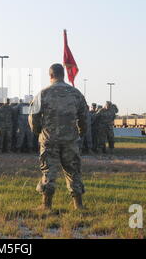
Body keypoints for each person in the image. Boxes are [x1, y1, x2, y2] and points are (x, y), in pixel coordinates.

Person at [29, 63, 88, 210]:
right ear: (64, 75)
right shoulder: (76, 93)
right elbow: (85, 116)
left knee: (49, 171)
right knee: (73, 170)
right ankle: (78, 204)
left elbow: (33, 116)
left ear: (50, 76)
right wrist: (81, 132)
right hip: (70, 139)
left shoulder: (43, 93)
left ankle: (46, 205)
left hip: (50, 139)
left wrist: (37, 131)